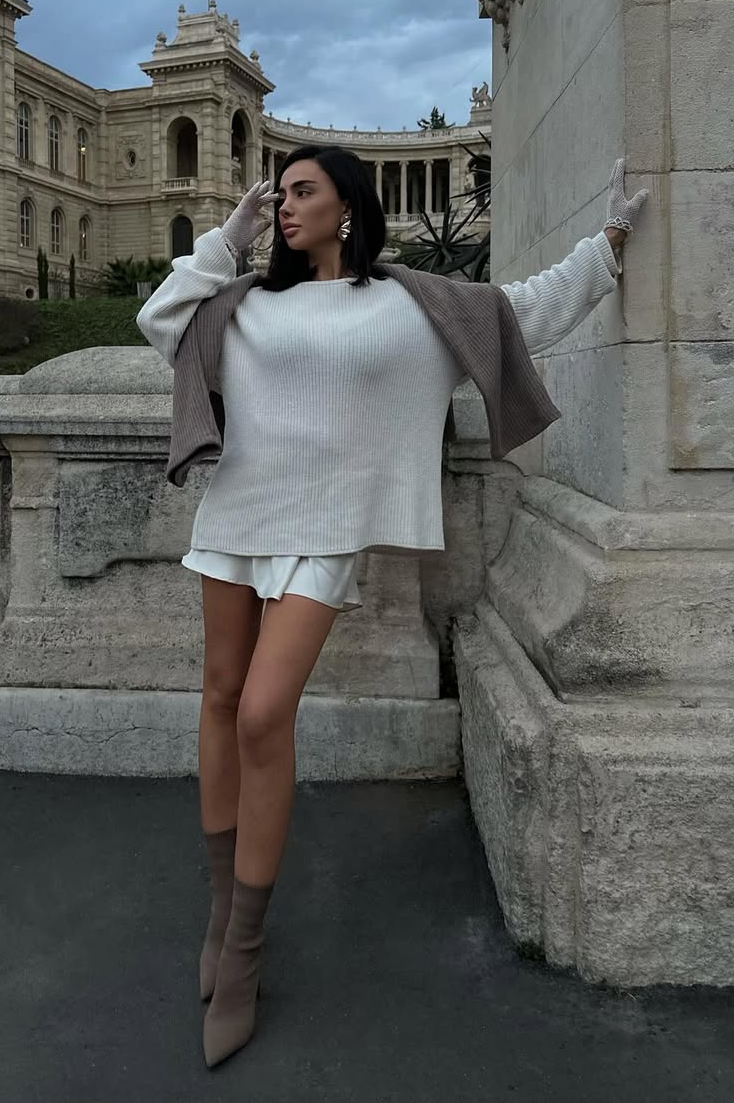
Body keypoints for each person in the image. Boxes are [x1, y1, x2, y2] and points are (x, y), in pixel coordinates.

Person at [135, 145, 647, 1067]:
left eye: (303, 192)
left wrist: (605, 246)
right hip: (238, 511)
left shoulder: (411, 308)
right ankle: (220, 913)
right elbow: (160, 317)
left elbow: (520, 312)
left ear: (347, 207)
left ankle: (245, 950)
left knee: (262, 714)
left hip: (328, 530)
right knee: (218, 697)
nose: (284, 206)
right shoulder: (247, 303)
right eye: (280, 195)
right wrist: (227, 239)